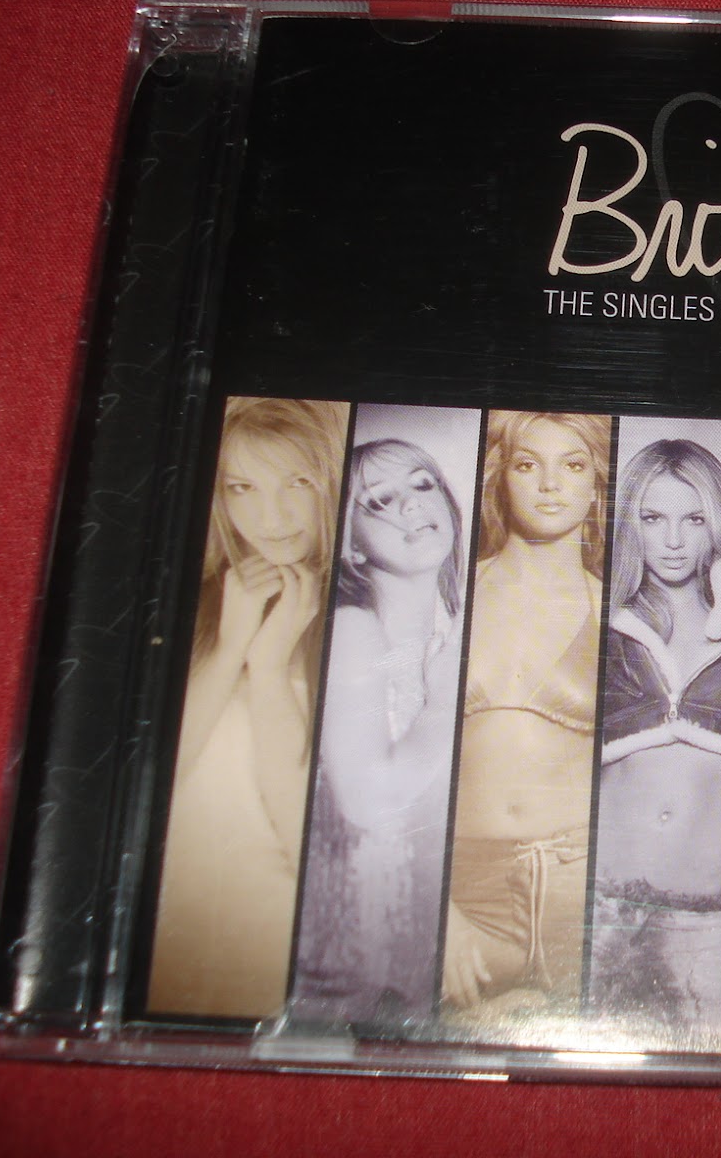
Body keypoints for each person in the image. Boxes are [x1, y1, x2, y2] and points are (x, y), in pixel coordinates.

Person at [149, 396, 349, 1019]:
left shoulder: (356, 613)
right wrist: (230, 645)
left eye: (297, 482)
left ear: (331, 481)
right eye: (243, 487)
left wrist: (267, 665)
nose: (271, 516)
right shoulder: (184, 600)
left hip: (279, 940)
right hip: (161, 931)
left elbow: (312, 839)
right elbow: (142, 785)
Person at [292, 437, 468, 1025]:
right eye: (379, 501)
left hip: (424, 950)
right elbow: (369, 800)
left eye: (422, 484)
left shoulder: (453, 630)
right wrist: (447, 698)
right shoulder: (351, 627)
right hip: (348, 960)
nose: (412, 504)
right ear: (351, 543)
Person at [443, 411, 610, 1020]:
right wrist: (434, 908)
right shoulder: (449, 594)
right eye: (527, 464)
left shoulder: (619, 609)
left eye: (573, 464)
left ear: (596, 486)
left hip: (584, 892)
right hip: (468, 896)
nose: (550, 484)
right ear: (501, 478)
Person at [591, 438, 721, 1030]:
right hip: (602, 903)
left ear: (718, 523)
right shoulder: (600, 619)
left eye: (694, 519)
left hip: (708, 916)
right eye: (653, 518)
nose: (673, 541)